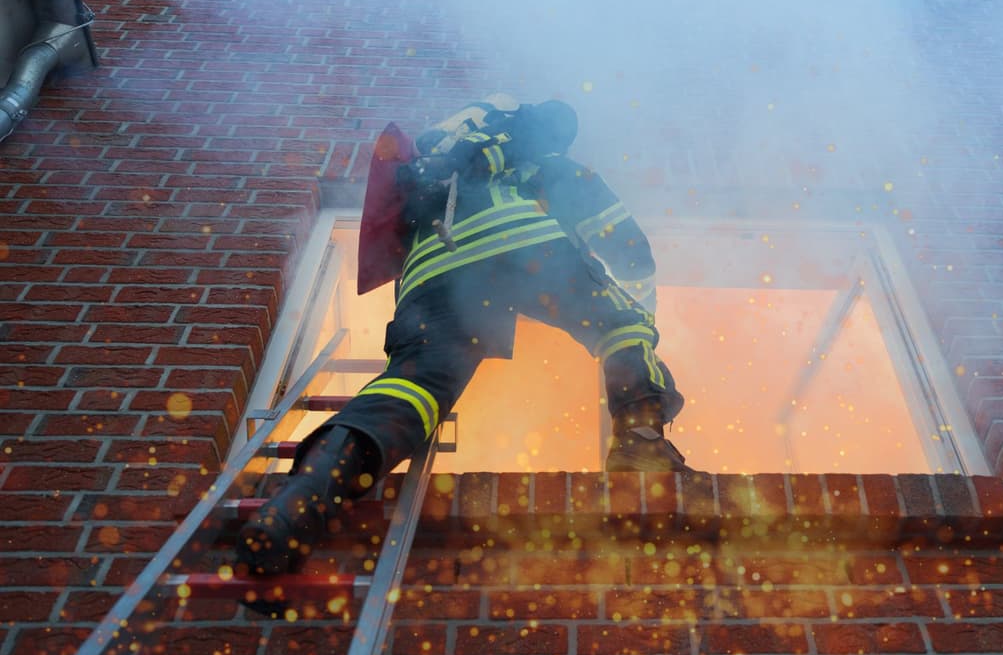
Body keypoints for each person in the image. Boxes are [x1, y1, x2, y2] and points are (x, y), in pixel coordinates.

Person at [236, 98, 697, 577]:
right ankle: (641, 445)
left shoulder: (432, 166)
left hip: (431, 270)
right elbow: (621, 238)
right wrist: (636, 288)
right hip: (519, 241)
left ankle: (301, 500)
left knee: (414, 384)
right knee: (621, 325)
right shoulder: (534, 156)